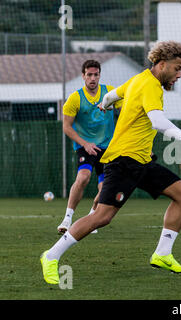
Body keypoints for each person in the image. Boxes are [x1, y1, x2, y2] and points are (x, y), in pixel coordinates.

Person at [40, 41, 181, 284]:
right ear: (162, 65)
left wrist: (104, 104)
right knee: (101, 216)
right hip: (124, 160)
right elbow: (158, 122)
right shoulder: (151, 85)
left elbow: (113, 95)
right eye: (176, 68)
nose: (179, 74)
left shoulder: (138, 79)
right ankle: (51, 256)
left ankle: (163, 253)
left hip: (141, 160)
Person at [57, 60, 122, 234]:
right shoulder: (75, 98)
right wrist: (85, 143)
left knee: (105, 189)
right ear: (83, 76)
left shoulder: (110, 92)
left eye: (96, 75)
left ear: (99, 75)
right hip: (84, 146)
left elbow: (125, 110)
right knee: (83, 177)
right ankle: (67, 218)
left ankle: (91, 216)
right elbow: (66, 126)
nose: (93, 78)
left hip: (108, 146)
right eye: (89, 75)